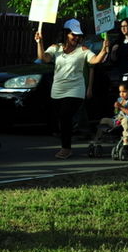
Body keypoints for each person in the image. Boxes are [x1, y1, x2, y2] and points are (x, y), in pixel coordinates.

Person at [39, 18, 110, 159]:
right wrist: (39, 42)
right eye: (73, 34)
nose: (76, 38)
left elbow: (95, 60)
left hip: (75, 89)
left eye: (78, 35)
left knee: (66, 116)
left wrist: (103, 50)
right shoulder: (56, 48)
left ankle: (66, 148)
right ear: (66, 33)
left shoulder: (83, 50)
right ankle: (66, 144)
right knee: (62, 119)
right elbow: (44, 58)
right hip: (58, 89)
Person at [108, 82, 128, 159]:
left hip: (127, 118)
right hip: (118, 118)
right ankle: (98, 139)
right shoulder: (120, 99)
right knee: (104, 120)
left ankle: (126, 139)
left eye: (124, 92)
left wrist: (120, 107)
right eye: (120, 92)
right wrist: (116, 108)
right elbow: (116, 113)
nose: (121, 94)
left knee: (125, 120)